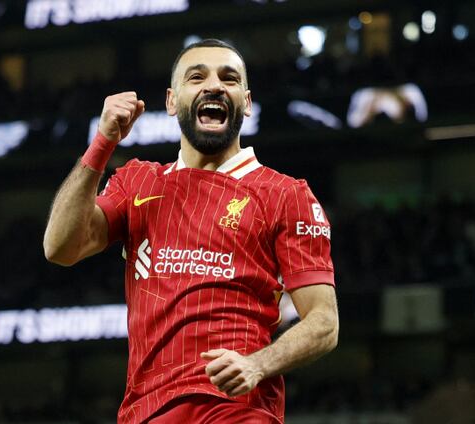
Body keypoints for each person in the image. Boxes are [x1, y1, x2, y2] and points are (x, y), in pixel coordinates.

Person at [44, 39, 339, 424]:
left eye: (229, 79)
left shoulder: (285, 194)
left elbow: (324, 322)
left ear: (247, 103)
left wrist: (257, 364)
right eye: (196, 77)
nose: (214, 85)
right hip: (146, 411)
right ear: (172, 101)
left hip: (237, 410)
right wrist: (102, 143)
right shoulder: (138, 182)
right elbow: (60, 247)